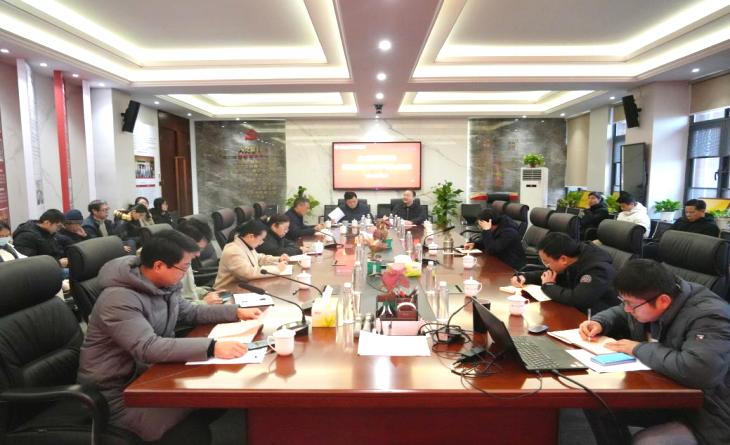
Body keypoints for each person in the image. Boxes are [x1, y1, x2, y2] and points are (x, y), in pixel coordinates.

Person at [77, 230, 261, 443]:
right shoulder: (118, 299)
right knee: (199, 420)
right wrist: (212, 347)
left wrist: (235, 312)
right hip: (118, 395)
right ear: (159, 266)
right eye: (184, 267)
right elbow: (148, 347)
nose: (186, 273)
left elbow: (190, 312)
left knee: (217, 398)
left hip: (151, 375)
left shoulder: (163, 286)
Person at [579, 259, 730, 445]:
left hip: (709, 410)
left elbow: (699, 370)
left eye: (630, 304)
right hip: (669, 391)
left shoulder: (711, 316)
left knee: (647, 442)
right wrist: (601, 321)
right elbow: (623, 311)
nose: (627, 309)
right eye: (624, 301)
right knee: (598, 403)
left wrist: (637, 348)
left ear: (663, 301)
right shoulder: (653, 295)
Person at [512, 232, 618, 313]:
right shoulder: (572, 258)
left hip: (596, 319)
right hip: (574, 312)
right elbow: (550, 275)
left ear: (563, 259)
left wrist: (548, 286)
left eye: (547, 262)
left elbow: (578, 299)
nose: (546, 266)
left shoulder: (598, 269)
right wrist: (525, 276)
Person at [214, 219, 289, 290]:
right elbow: (248, 273)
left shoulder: (245, 243)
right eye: (261, 239)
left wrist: (278, 259)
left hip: (243, 287)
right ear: (251, 236)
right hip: (226, 292)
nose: (261, 243)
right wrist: (277, 269)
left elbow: (259, 258)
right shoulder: (233, 251)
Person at [177, 219, 225, 304]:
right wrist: (204, 302)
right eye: (196, 248)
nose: (198, 254)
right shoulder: (169, 266)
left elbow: (190, 289)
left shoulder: (186, 258)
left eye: (200, 249)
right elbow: (175, 306)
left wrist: (207, 293)